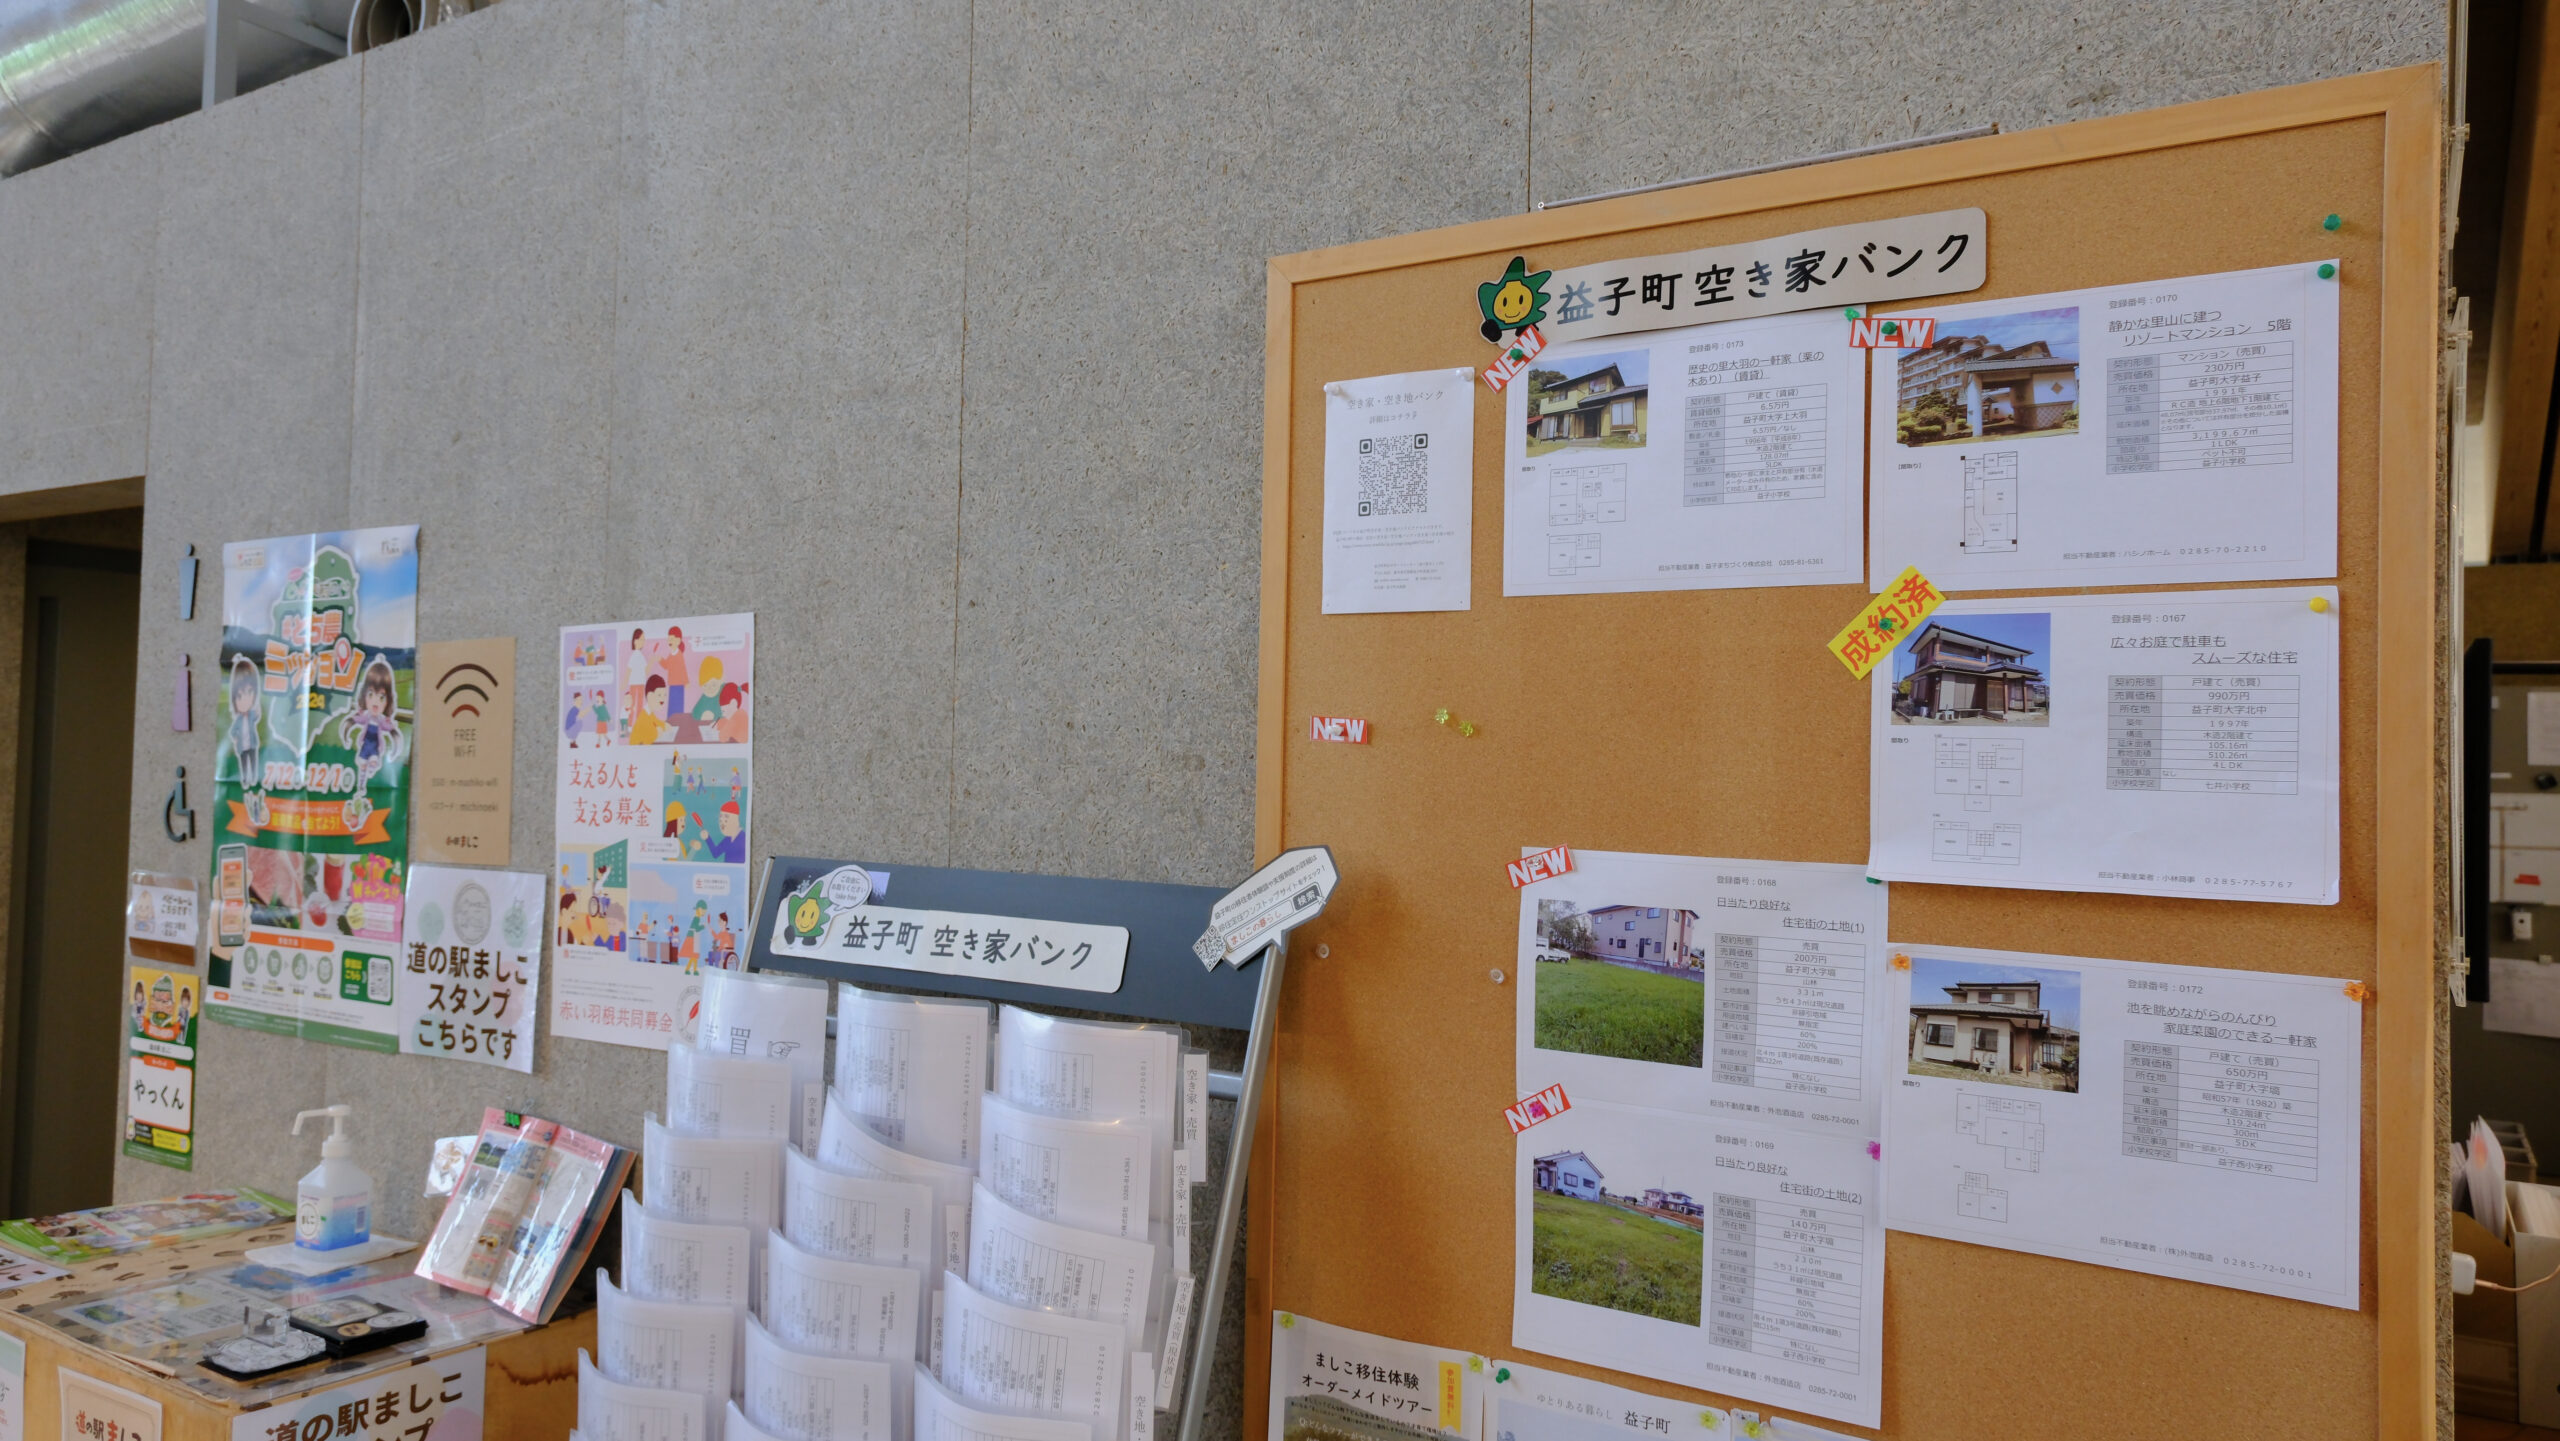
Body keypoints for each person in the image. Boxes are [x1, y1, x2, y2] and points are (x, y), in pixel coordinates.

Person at [339, 657, 404, 787]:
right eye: (370, 694)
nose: (375, 702)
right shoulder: (366, 717)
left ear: (388, 701)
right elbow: (353, 720)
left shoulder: (381, 720)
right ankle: (362, 784)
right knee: (362, 764)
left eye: (381, 697)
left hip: (375, 747)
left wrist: (394, 741)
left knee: (374, 761)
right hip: (365, 746)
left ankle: (372, 769)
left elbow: (391, 730)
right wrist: (347, 730)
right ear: (364, 695)